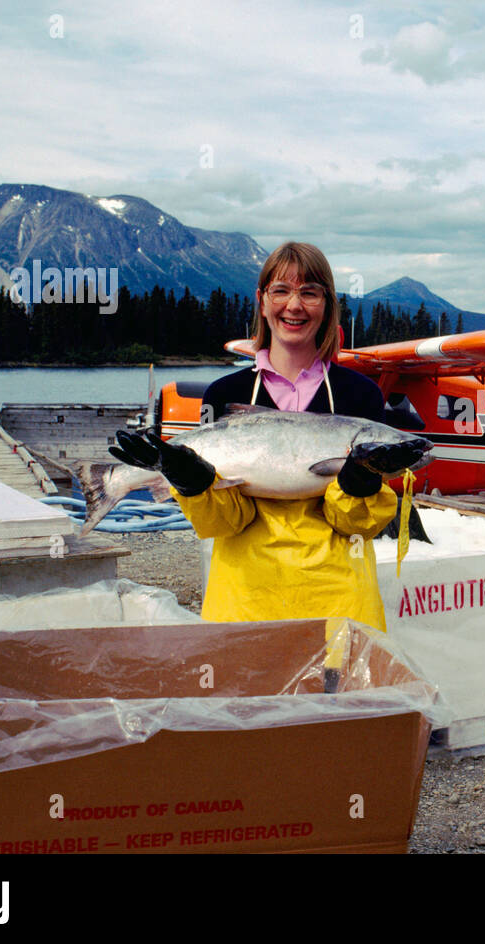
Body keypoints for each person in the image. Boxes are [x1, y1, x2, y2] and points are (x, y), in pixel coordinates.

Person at [110, 242, 424, 689]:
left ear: (328, 305)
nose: (294, 305)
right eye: (281, 291)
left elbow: (357, 526)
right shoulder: (223, 392)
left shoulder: (360, 396)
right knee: (249, 739)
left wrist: (356, 486)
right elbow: (225, 520)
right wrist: (192, 482)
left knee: (331, 735)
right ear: (261, 300)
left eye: (311, 292)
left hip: (335, 599)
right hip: (245, 599)